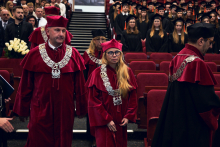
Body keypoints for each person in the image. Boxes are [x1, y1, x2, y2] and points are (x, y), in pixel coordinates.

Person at [12, 15, 87, 147]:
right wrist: (22, 109)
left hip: (65, 110)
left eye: (63, 31)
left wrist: (81, 108)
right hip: (40, 108)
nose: (61, 34)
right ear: (47, 32)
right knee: (38, 140)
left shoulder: (74, 54)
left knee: (63, 140)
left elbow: (80, 86)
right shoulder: (34, 54)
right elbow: (25, 85)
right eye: (57, 30)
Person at [152, 23, 220, 147]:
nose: (210, 46)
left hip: (176, 118)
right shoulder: (197, 63)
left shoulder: (177, 57)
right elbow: (206, 103)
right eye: (210, 42)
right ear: (200, 41)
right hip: (193, 124)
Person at [86, 39, 138, 147]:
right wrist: (107, 119)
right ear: (105, 55)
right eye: (110, 52)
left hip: (121, 119)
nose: (114, 55)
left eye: (117, 52)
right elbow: (93, 100)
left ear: (120, 54)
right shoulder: (96, 73)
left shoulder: (127, 72)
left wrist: (128, 116)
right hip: (104, 120)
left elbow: (133, 96)